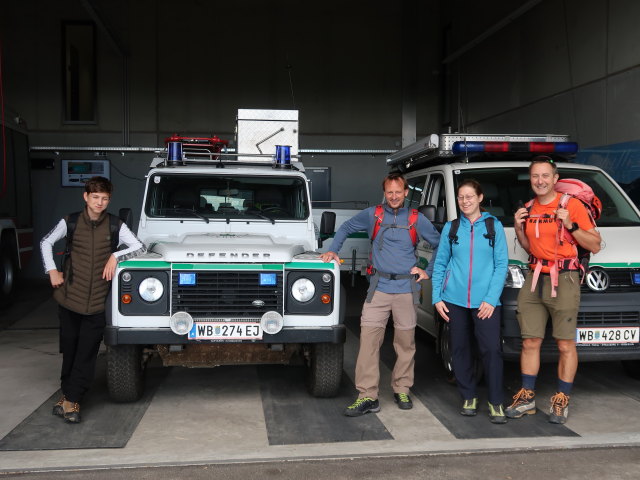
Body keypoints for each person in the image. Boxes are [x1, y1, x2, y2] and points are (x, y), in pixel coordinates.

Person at [320, 173, 440, 416]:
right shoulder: (372, 214)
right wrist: (333, 250)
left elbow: (440, 244)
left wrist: (428, 269)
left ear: (406, 192)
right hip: (378, 288)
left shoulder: (417, 218)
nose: (394, 197)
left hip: (407, 290)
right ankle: (367, 396)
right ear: (384, 193)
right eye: (389, 192)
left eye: (398, 192)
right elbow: (344, 228)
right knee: (368, 342)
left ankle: (402, 388)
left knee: (405, 343)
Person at [40, 176, 146, 424]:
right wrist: (51, 270)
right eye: (95, 197)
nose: (100, 202)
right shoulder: (71, 222)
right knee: (70, 350)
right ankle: (68, 395)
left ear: (109, 199)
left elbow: (139, 247)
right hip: (69, 299)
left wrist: (116, 256)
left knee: (86, 353)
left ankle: (73, 400)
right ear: (86, 197)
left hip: (98, 303)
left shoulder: (115, 226)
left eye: (105, 198)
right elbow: (46, 242)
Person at [507, 156, 601, 424]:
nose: (540, 181)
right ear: (531, 179)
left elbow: (594, 244)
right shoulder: (528, 208)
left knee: (565, 343)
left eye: (545, 176)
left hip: (566, 277)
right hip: (535, 277)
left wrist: (571, 224)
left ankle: (561, 398)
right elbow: (528, 247)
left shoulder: (571, 206)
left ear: (556, 179)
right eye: (535, 176)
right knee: (530, 341)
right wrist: (518, 226)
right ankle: (527, 398)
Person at [431, 179, 509, 424]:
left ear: (480, 198)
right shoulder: (451, 228)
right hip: (454, 300)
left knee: (492, 351)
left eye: (469, 197)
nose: (465, 201)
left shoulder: (493, 226)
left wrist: (491, 299)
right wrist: (436, 297)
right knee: (460, 349)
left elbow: (501, 266)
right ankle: (468, 397)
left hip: (486, 302)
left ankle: (496, 402)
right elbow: (440, 264)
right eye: (461, 197)